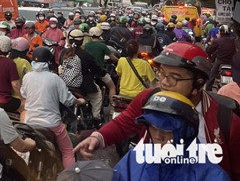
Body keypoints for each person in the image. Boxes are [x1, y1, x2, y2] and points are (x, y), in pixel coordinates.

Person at [75, 42, 240, 179]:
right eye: (161, 74)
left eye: (174, 77)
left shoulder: (225, 119)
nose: (164, 83)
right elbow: (125, 122)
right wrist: (98, 137)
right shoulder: (150, 97)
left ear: (198, 83)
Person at [112, 91, 230, 181]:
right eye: (153, 127)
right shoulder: (134, 158)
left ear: (186, 132)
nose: (158, 136)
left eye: (167, 130)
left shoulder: (209, 174)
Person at [21, 47, 85, 169]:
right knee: (68, 152)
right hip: (52, 124)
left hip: (30, 123)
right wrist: (79, 101)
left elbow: (23, 93)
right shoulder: (55, 78)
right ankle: (69, 176)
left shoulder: (27, 77)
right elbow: (68, 99)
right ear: (49, 62)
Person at [60, 29, 105, 127]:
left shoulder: (63, 53)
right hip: (83, 85)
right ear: (82, 41)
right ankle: (96, 117)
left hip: (64, 84)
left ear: (69, 40)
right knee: (97, 95)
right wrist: (101, 73)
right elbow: (95, 69)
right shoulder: (86, 55)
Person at [85, 27, 118, 101]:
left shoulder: (87, 45)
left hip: (89, 72)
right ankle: (113, 107)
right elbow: (112, 57)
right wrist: (120, 60)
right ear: (99, 35)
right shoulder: (102, 46)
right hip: (100, 71)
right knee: (112, 87)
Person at [206, 25, 237, 91]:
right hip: (232, 61)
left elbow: (208, 50)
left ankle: (208, 90)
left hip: (221, 61)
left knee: (212, 75)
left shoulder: (217, 41)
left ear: (220, 32)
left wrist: (210, 58)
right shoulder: (234, 40)